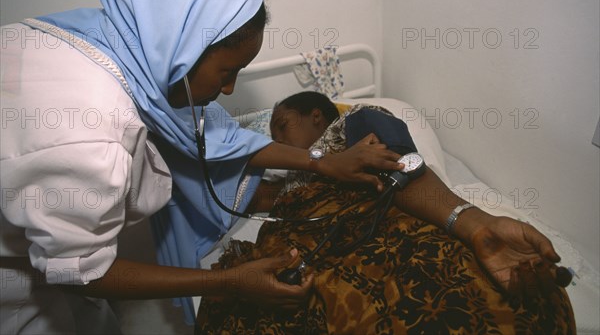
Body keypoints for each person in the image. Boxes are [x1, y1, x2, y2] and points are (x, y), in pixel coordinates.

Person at [0, 0, 404, 333]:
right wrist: (227, 281)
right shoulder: (88, 138)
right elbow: (83, 272)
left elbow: (224, 138)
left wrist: (321, 161)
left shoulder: (114, 43)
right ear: (183, 48)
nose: (229, 90)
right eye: (227, 71)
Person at [196, 91, 576, 334]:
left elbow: (404, 165)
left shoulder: (354, 123)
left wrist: (476, 225)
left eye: (282, 125)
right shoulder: (281, 186)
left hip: (389, 220)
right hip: (315, 250)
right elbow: (220, 187)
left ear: (316, 115)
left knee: (488, 297)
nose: (277, 140)